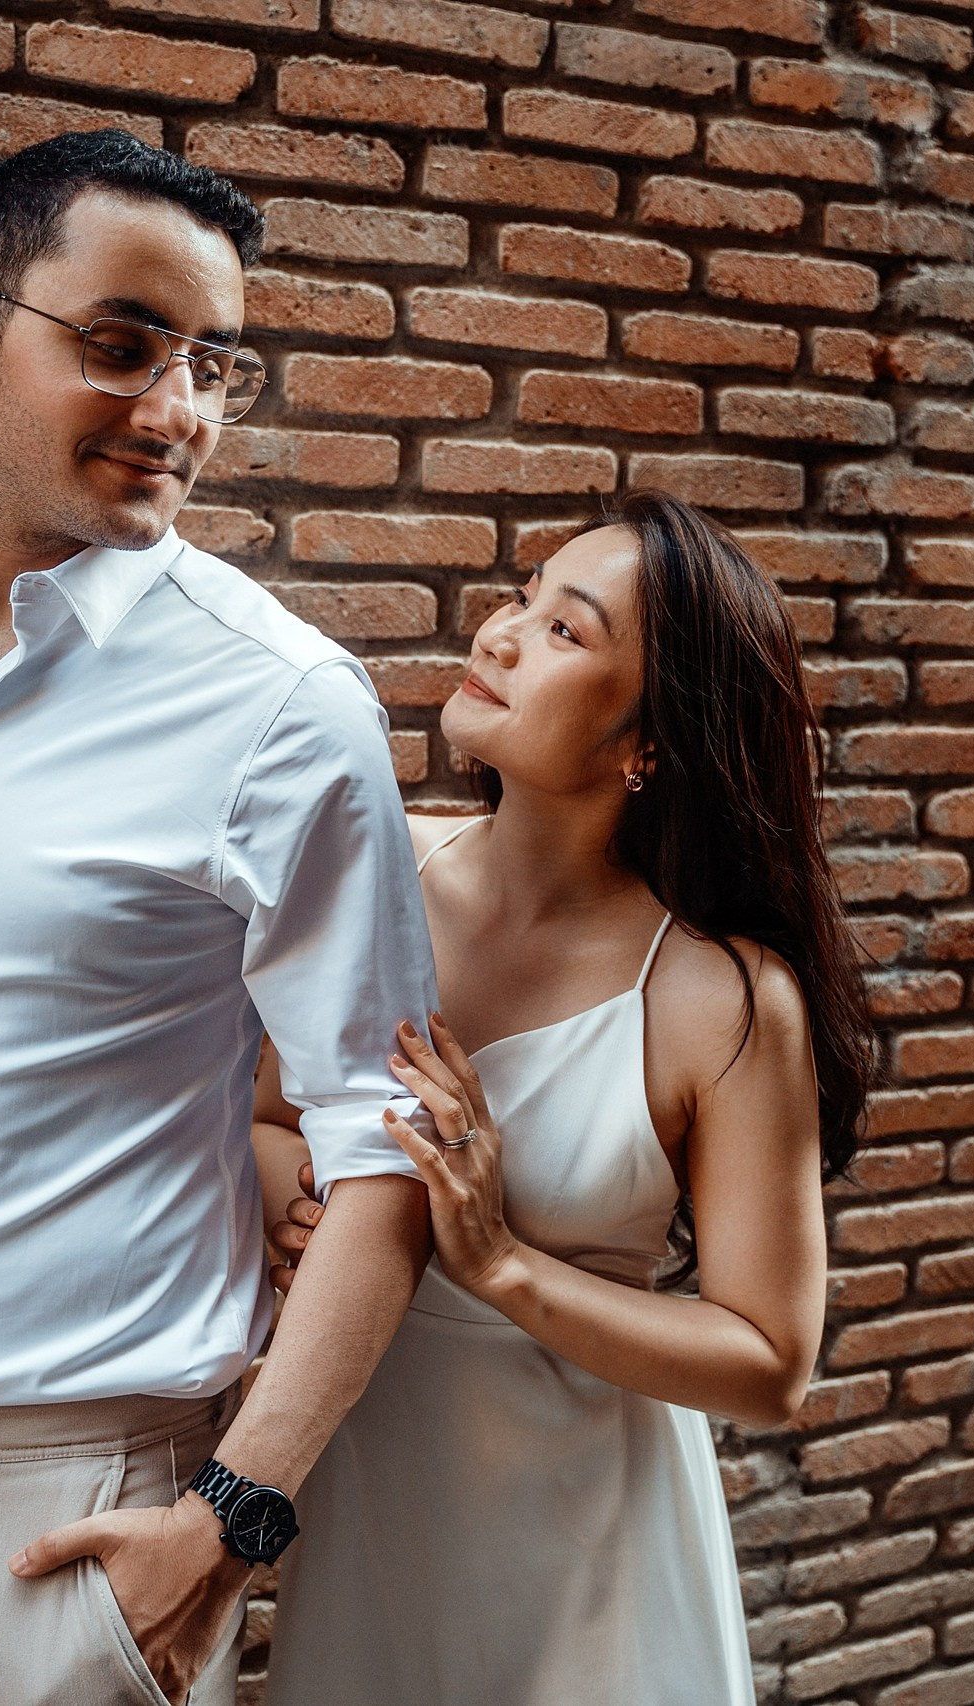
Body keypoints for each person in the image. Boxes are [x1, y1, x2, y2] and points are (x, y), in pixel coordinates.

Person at [0, 129, 436, 1706]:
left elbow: (388, 1152)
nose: (178, 413)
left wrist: (237, 1514)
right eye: (121, 346)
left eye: (214, 366)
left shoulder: (281, 703)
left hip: (71, 1511)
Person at [255, 491, 877, 1706]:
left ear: (651, 740)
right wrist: (304, 1211)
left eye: (564, 631)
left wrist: (498, 1263)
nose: (497, 633)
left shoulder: (722, 998)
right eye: (522, 598)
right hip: (373, 1509)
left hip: (596, 1555)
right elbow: (272, 1123)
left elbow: (768, 1359)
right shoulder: (374, 872)